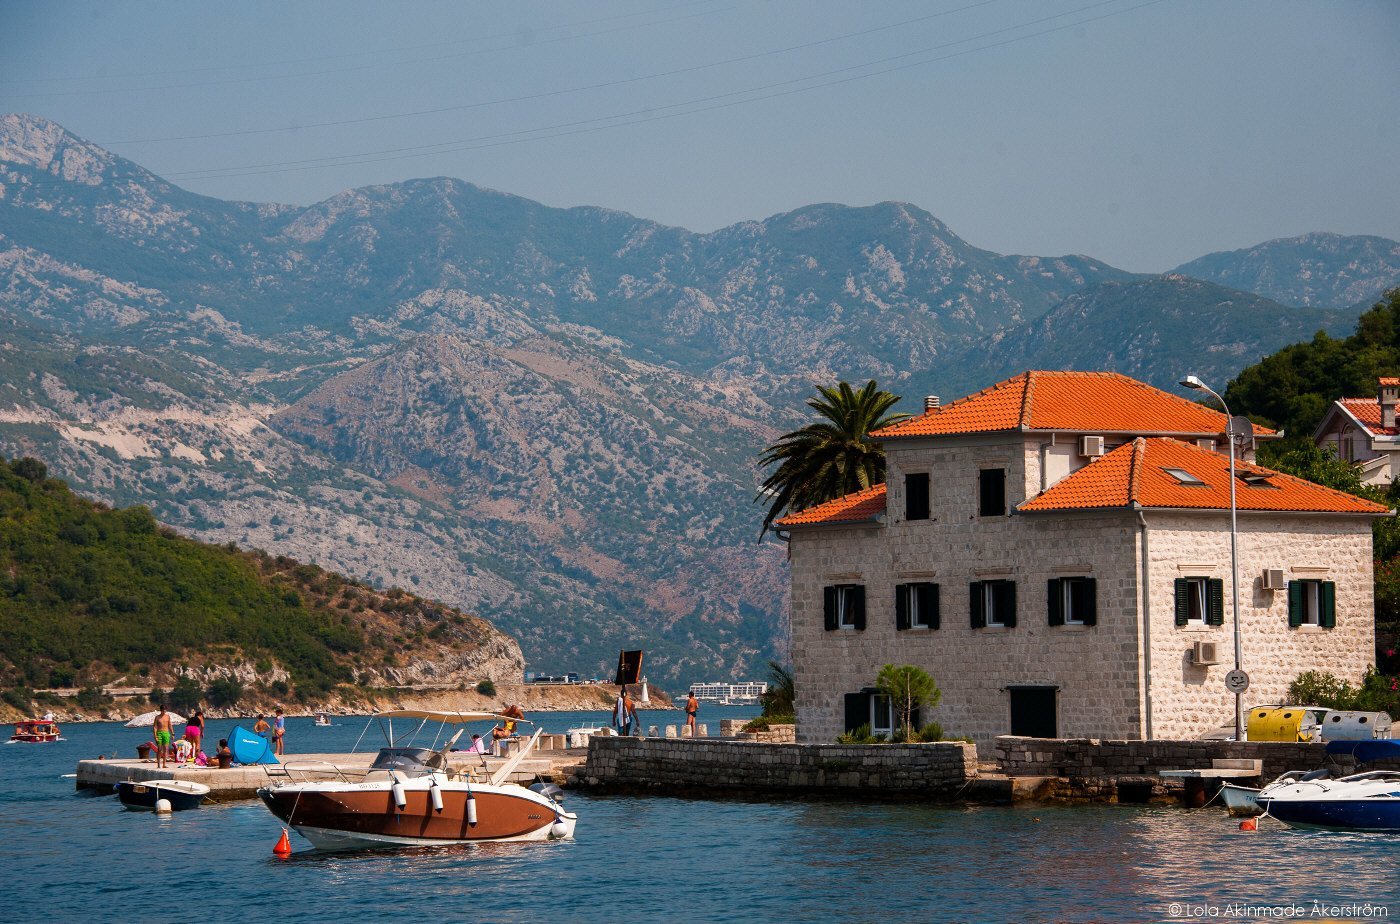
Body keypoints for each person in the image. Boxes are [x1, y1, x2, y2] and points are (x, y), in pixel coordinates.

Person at [153, 704, 173, 769]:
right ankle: (158, 764)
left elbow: (170, 725)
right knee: (159, 749)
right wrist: (155, 735)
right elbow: (155, 727)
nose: (164, 711)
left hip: (166, 733)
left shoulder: (168, 716)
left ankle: (164, 764)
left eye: (165, 710)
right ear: (160, 710)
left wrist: (172, 733)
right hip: (159, 733)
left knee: (165, 749)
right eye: (163, 710)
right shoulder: (157, 717)